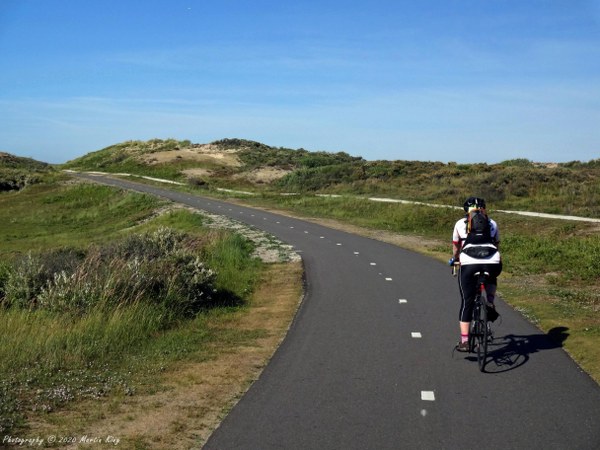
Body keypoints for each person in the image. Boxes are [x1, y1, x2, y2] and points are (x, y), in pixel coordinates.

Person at [452, 196, 502, 352]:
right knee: (492, 275)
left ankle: (465, 341)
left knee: (467, 301)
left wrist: (455, 259)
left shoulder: (460, 224)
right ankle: (490, 301)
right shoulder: (492, 223)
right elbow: (496, 244)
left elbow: (456, 246)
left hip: (469, 262)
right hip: (492, 260)